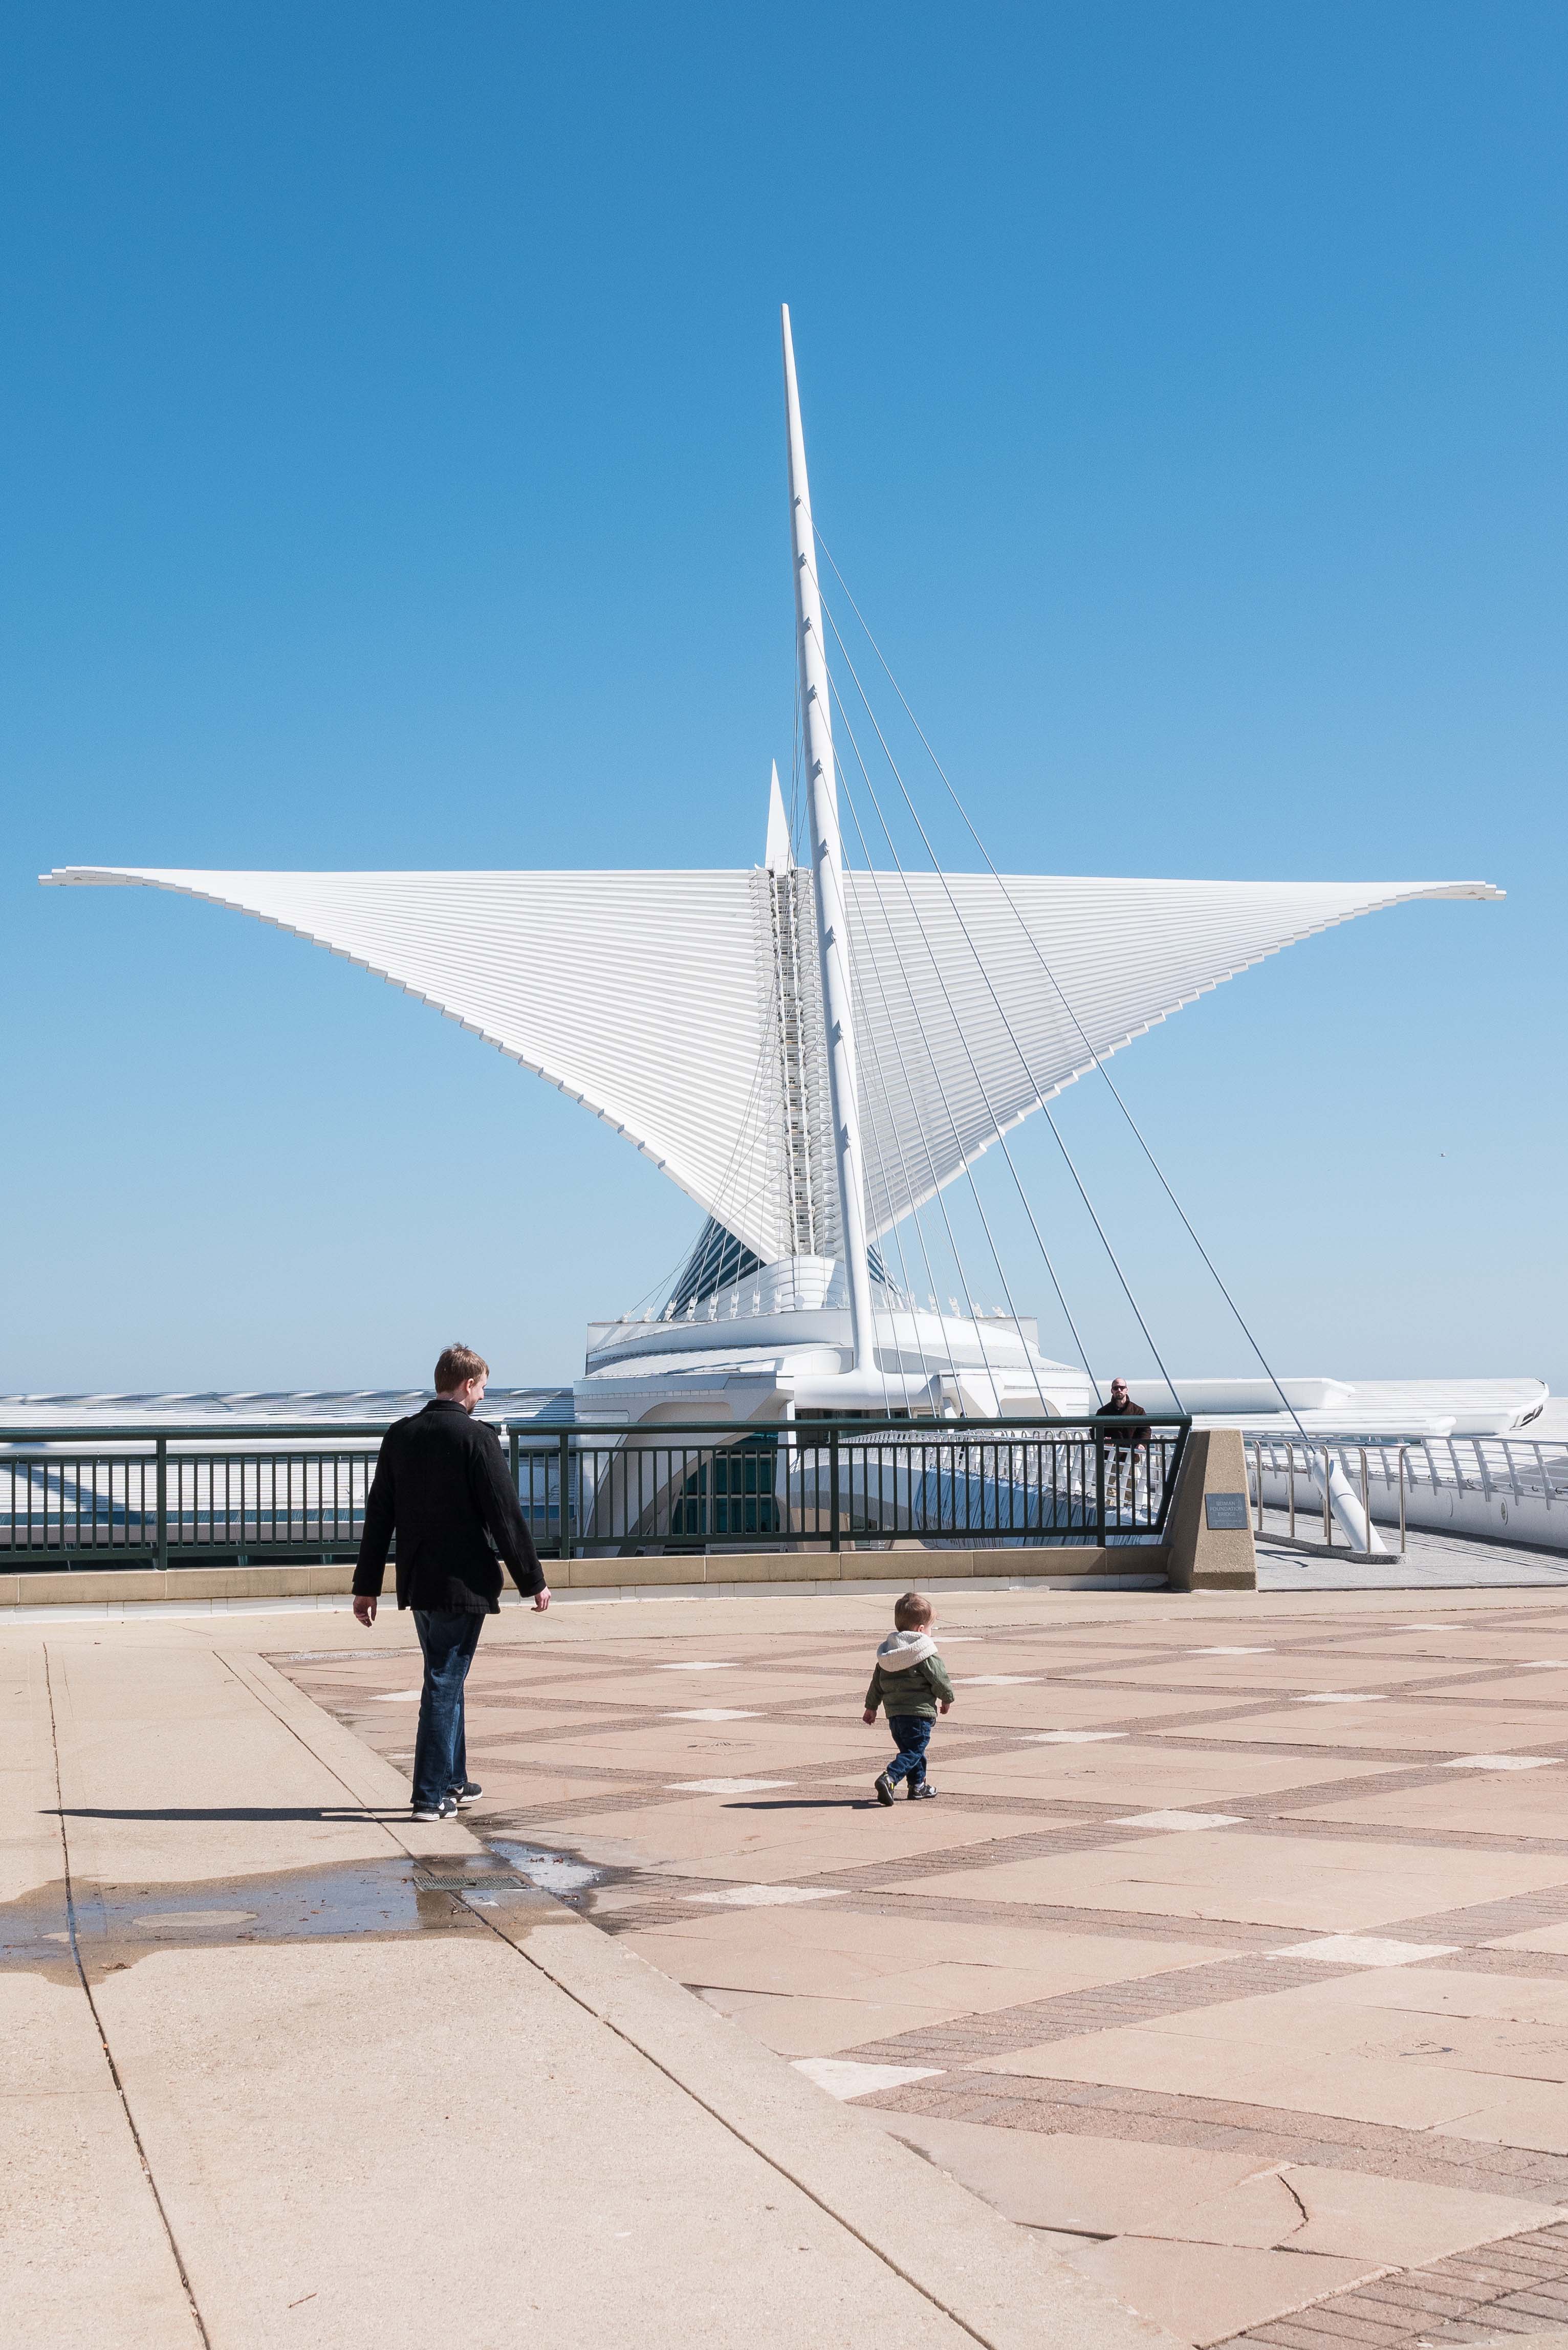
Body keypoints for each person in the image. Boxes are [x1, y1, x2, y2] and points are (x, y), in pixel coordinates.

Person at [352, 1343, 550, 1822]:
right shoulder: (477, 1438)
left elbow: (380, 1515)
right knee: (443, 1680)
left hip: (418, 1580)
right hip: (463, 1584)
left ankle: (455, 1780)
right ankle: (429, 1794)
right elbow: (505, 1517)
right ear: (467, 1385)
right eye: (482, 1386)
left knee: (448, 1677)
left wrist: (367, 1585)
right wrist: (533, 1582)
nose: (483, 1395)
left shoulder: (400, 1435)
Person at [862, 1590, 955, 1805]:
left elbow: (876, 1683)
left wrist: (871, 1707)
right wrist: (947, 1698)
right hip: (918, 1714)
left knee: (912, 1751)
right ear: (921, 1630)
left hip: (895, 1716)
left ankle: (918, 1787)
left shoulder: (888, 1653)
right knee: (914, 1751)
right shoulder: (923, 1650)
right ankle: (890, 1777)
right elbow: (939, 1678)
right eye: (931, 1628)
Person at [1101, 1376, 1151, 1510]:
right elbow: (1095, 1431)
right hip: (1110, 1457)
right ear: (1112, 1391)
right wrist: (1103, 1439)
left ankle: (1129, 1515)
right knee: (1110, 1491)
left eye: (1122, 1388)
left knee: (1131, 1491)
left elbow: (1146, 1430)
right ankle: (1109, 1517)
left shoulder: (1138, 1411)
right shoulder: (1103, 1412)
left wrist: (1142, 1445)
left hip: (1131, 1457)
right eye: (1116, 1388)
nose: (1119, 1390)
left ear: (1127, 1390)